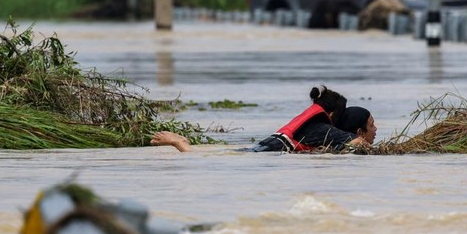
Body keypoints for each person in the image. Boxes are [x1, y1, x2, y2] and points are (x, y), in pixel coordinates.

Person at [150, 86, 377, 152]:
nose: (376, 129)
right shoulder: (322, 130)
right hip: (267, 151)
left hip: (267, 145)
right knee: (204, 160)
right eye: (371, 125)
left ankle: (185, 143)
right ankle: (181, 145)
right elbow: (357, 143)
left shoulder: (316, 125)